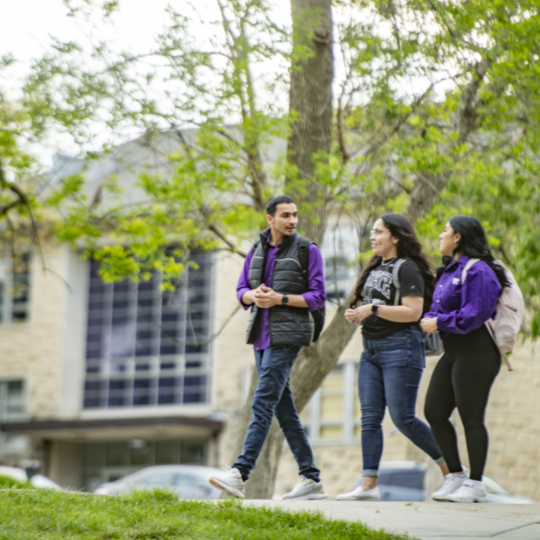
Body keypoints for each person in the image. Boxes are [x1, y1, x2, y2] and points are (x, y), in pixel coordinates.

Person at [209, 195, 327, 501]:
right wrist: (254, 296)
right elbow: (240, 290)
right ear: (269, 219)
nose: (292, 220)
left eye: (295, 215)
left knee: (261, 402)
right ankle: (311, 477)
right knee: (283, 408)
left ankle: (240, 472)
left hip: (287, 337)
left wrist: (281, 299)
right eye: (285, 215)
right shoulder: (257, 249)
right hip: (260, 336)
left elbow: (317, 297)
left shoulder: (307, 250)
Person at [337, 214, 448, 502]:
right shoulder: (375, 267)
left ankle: (454, 473)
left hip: (401, 347)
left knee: (403, 419)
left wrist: (373, 309)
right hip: (370, 350)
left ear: (395, 237)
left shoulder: (408, 268)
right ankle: (369, 485)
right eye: (372, 232)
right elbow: (373, 306)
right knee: (370, 419)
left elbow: (413, 312)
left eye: (378, 232)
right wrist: (358, 312)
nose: (372, 237)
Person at [421, 216, 508, 503]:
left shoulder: (479, 270)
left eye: (444, 230)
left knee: (471, 417)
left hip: (478, 351)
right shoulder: (447, 272)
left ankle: (476, 485)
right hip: (454, 351)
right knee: (434, 410)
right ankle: (456, 475)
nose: (440, 235)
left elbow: (475, 314)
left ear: (457, 237)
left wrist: (439, 322)